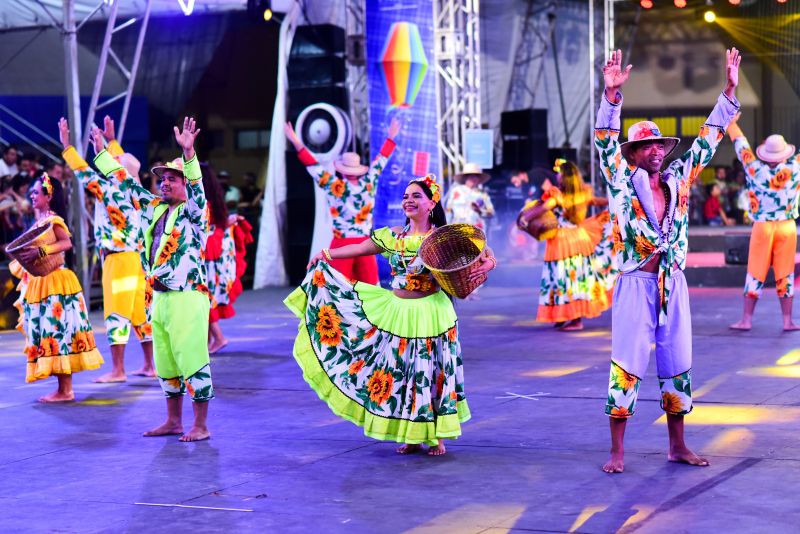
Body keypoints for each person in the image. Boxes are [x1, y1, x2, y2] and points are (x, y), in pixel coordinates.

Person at [595, 48, 740, 473]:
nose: (655, 150)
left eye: (658, 144)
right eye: (645, 146)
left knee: (677, 361)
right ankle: (617, 451)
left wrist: (729, 91)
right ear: (633, 154)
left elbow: (710, 138)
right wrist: (611, 95)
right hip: (636, 283)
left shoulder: (679, 180)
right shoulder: (620, 181)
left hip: (673, 283)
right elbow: (605, 140)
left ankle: (677, 445)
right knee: (626, 363)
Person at [285, 174, 496, 456]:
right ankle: (410, 435)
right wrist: (326, 254)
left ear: (431, 203)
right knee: (401, 374)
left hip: (430, 313)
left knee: (428, 374)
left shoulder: (441, 237)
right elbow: (361, 247)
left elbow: (485, 251)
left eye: (416, 196)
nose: (409, 200)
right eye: (406, 196)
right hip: (397, 310)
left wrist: (488, 264)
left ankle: (435, 437)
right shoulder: (393, 235)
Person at [94, 117, 213, 442]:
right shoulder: (155, 209)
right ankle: (173, 421)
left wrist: (188, 155)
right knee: (165, 360)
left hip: (188, 296)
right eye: (162, 179)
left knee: (191, 357)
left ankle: (200, 425)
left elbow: (198, 190)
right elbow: (128, 186)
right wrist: (103, 156)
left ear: (184, 183)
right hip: (159, 297)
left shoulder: (194, 212)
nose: (164, 183)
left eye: (172, 179)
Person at [59, 116, 155, 382]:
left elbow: (83, 172)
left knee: (116, 312)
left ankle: (118, 370)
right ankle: (149, 365)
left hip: (118, 259)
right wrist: (112, 141)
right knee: (138, 313)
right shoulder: (135, 189)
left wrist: (67, 146)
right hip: (135, 259)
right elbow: (123, 164)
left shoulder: (111, 191)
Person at [9, 173, 104, 402]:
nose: (31, 196)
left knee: (58, 333)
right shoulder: (40, 221)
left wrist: (41, 251)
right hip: (43, 282)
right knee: (49, 333)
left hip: (57, 282)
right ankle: (63, 389)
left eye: (36, 192)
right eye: (31, 192)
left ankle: (66, 390)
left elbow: (66, 243)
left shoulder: (53, 220)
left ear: (48, 196)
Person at [284, 118, 400, 284]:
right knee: (370, 292)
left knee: (339, 290)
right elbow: (381, 160)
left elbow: (313, 166)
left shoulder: (334, 185)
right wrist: (391, 137)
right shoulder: (369, 183)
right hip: (365, 243)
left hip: (341, 245)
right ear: (358, 169)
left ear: (342, 171)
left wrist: (296, 140)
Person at [727, 115, 800, 331]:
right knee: (785, 273)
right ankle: (787, 321)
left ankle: (746, 320)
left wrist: (732, 124)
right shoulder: (795, 167)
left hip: (762, 227)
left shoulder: (753, 167)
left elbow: (741, 146)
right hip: (787, 226)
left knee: (756, 271)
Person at [520, 161, 612, 331]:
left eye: (559, 173)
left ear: (565, 177)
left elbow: (543, 208)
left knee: (565, 279)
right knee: (574, 278)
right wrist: (616, 201)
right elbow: (599, 201)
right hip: (579, 238)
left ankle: (576, 320)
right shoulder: (583, 193)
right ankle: (564, 316)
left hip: (562, 242)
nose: (556, 176)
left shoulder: (558, 196)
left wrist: (526, 217)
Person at [200, 162, 254, 353]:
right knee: (206, 297)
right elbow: (220, 223)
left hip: (207, 250)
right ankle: (207, 343)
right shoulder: (216, 199)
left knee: (202, 296)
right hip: (216, 249)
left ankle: (219, 337)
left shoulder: (201, 201)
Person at [443, 162, 496, 232]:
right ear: (465, 177)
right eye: (470, 176)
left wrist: (480, 211)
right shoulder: (456, 191)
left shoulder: (483, 194)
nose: (473, 178)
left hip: (476, 231)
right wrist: (445, 228)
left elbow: (491, 213)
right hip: (457, 230)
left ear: (479, 179)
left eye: (476, 176)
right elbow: (448, 211)